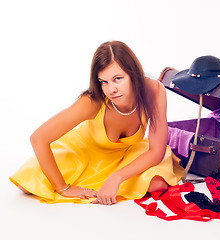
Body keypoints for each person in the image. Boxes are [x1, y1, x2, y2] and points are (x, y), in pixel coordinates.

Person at [9, 41, 184, 205]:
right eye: (103, 82)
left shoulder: (154, 90)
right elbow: (38, 138)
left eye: (118, 79)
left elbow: (156, 150)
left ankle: (110, 183)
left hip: (125, 155)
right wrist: (63, 187)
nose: (111, 89)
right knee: (29, 183)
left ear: (133, 73)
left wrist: (117, 177)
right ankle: (97, 186)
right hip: (83, 154)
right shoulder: (91, 102)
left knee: (157, 184)